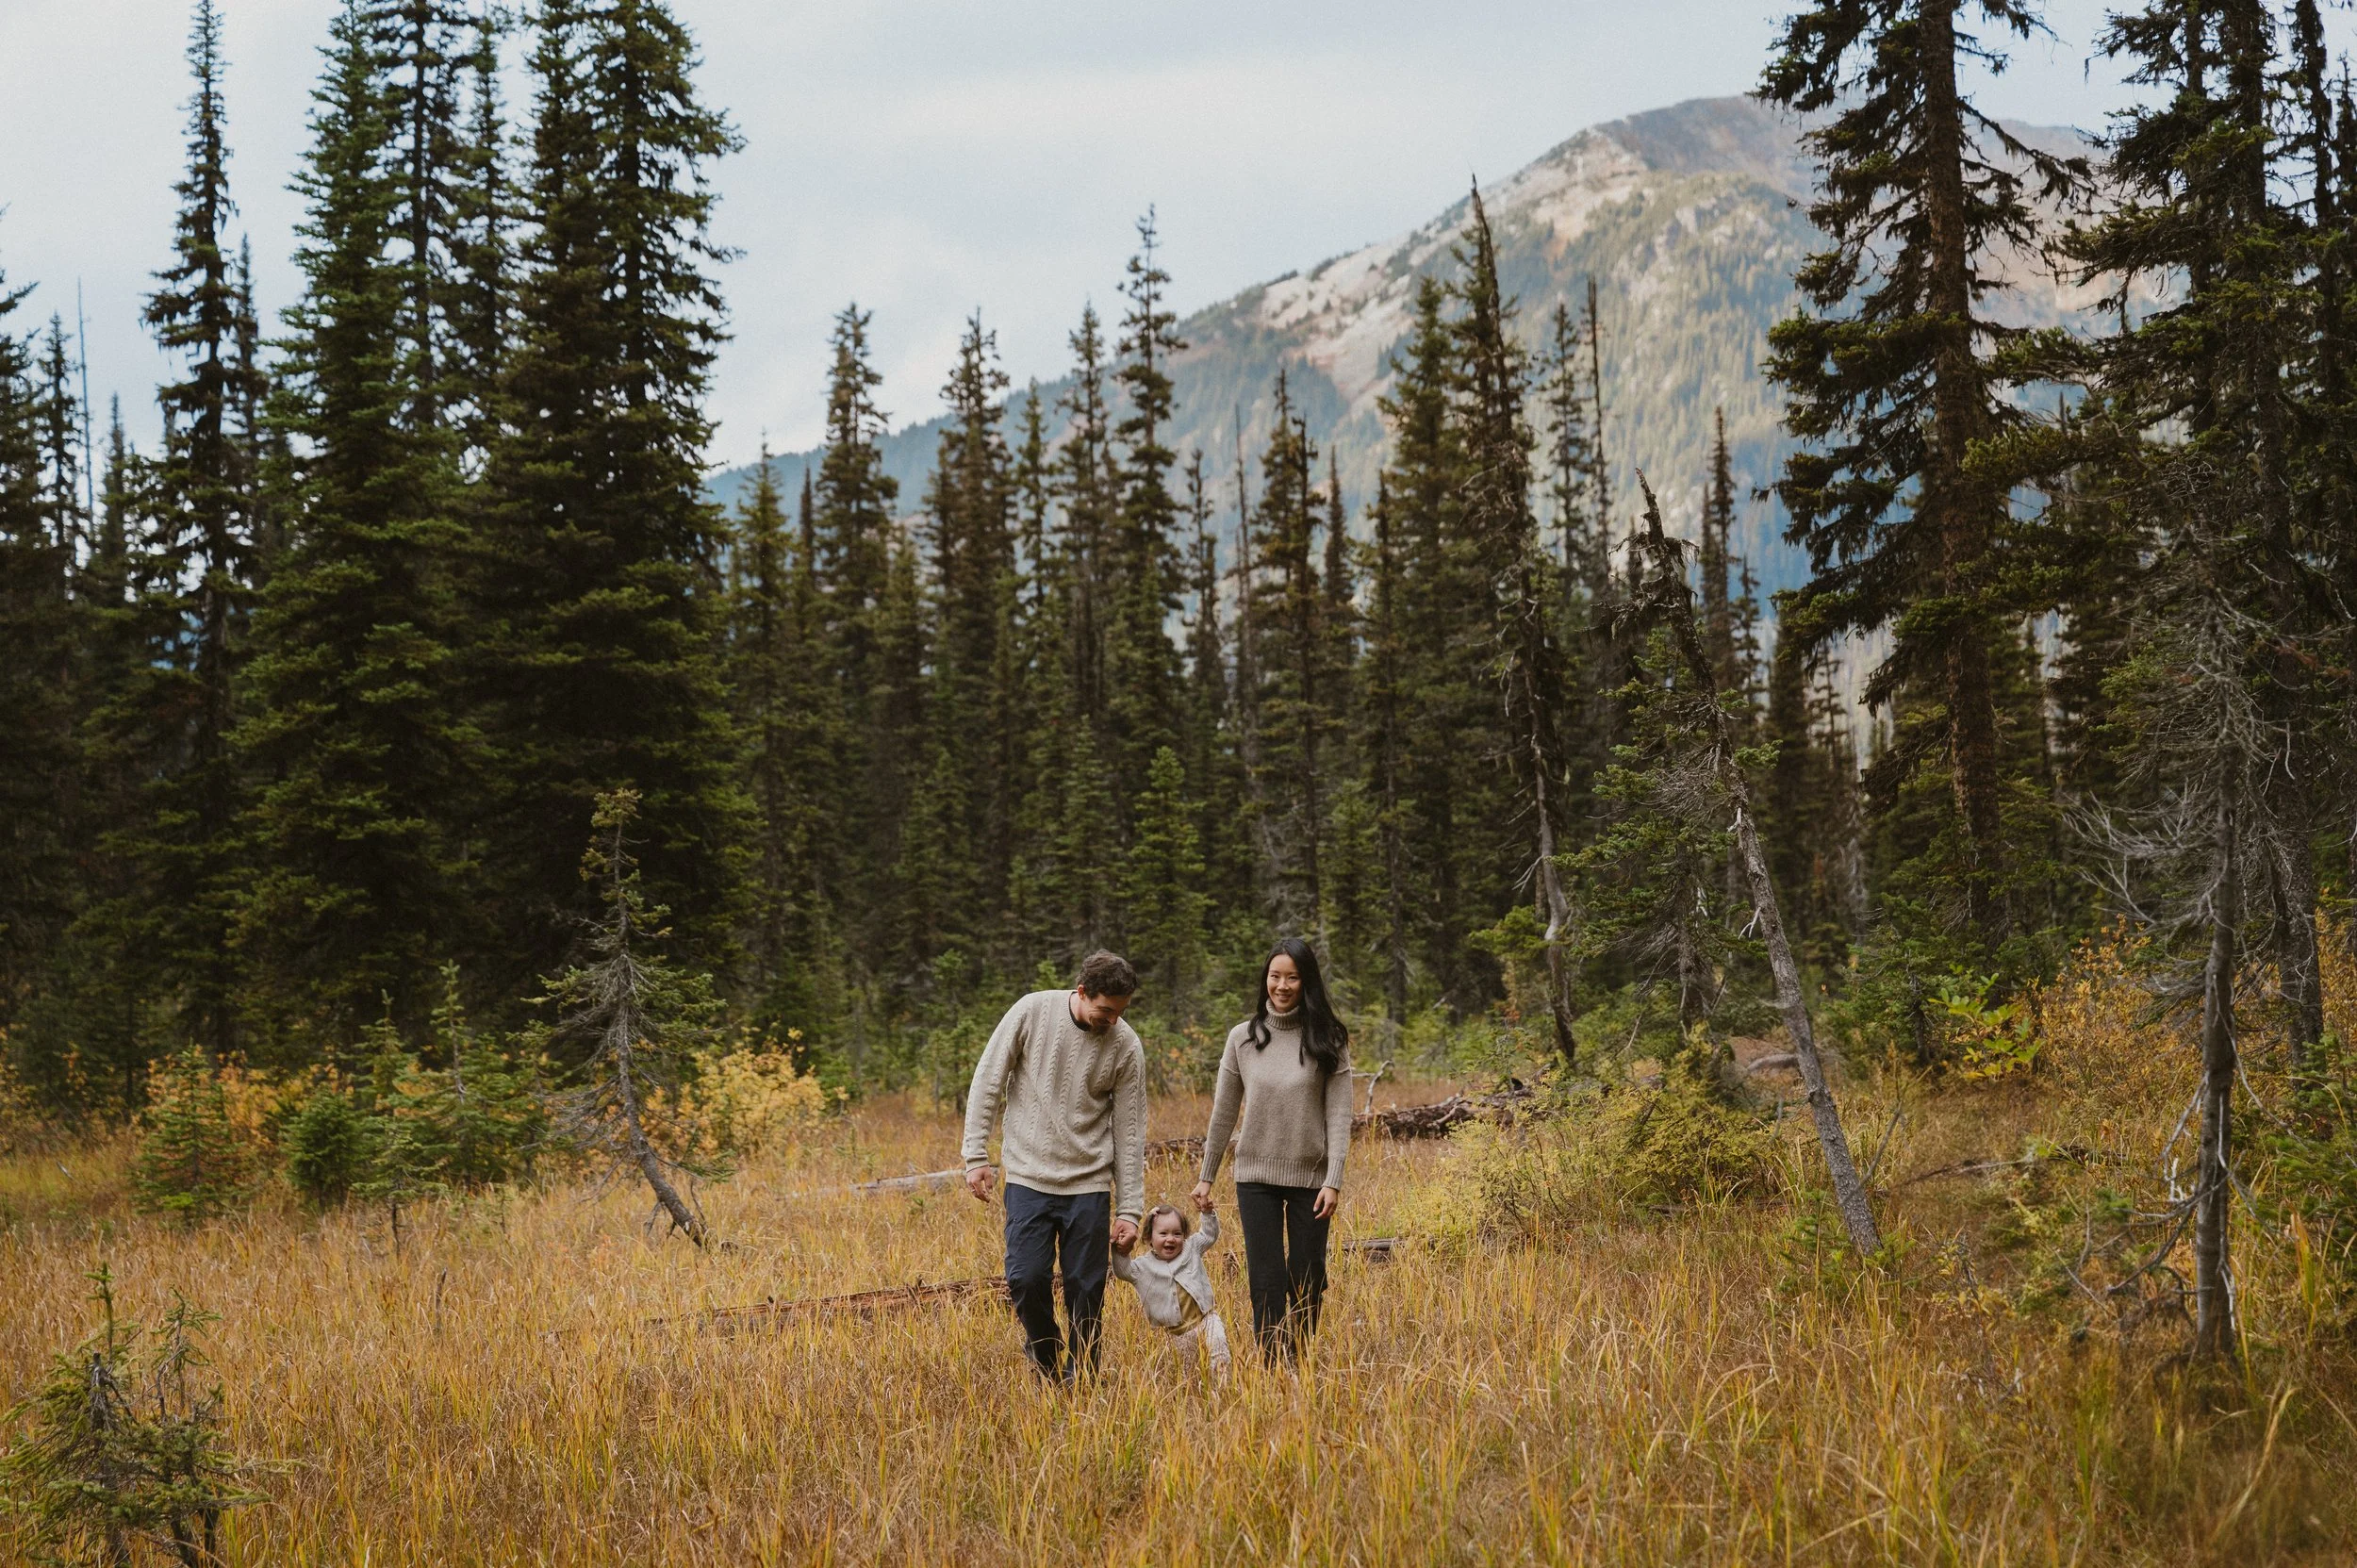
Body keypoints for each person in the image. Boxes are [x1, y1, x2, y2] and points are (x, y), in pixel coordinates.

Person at [963, 949, 1147, 1382]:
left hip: (1089, 1183)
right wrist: (976, 1155)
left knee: (1088, 1291)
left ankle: (1081, 1377)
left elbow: (1131, 1132)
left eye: (1121, 1012)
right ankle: (1046, 1362)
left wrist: (1130, 1210)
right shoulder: (1031, 1012)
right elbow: (988, 1079)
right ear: (1081, 992)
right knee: (1026, 1279)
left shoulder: (1126, 1046)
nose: (1113, 1021)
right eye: (1105, 1010)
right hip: (1029, 1175)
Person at [1191, 936, 1353, 1363]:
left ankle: (1298, 1358)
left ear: (1306, 982)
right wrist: (1207, 1175)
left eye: (1292, 977)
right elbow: (1223, 1112)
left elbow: (1339, 1116)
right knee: (1265, 1277)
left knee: (1309, 1276)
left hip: (1311, 1181)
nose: (1281, 986)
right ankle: (1272, 1364)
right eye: (1275, 976)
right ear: (1265, 979)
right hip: (1254, 1178)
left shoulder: (1329, 1038)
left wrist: (1333, 1180)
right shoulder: (1242, 1039)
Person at [1110, 1203, 1231, 1382]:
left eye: (1177, 1233)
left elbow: (1209, 1235)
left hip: (1206, 1320)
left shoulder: (1191, 1249)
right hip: (1179, 1333)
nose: (1171, 1239)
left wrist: (1207, 1212)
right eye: (1163, 1233)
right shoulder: (1143, 1267)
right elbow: (1123, 1270)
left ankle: (1223, 1387)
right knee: (1190, 1376)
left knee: (1219, 1348)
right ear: (1149, 1238)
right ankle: (1194, 1402)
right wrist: (1120, 1248)